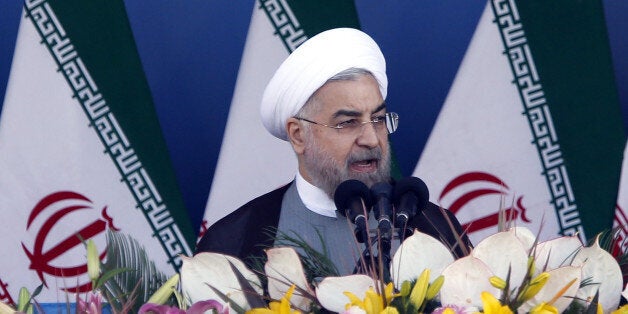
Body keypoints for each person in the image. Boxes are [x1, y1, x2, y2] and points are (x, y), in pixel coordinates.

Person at [196, 28, 470, 275]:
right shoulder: (234, 243)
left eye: (377, 119)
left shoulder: (437, 228)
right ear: (298, 135)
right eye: (348, 123)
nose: (371, 139)